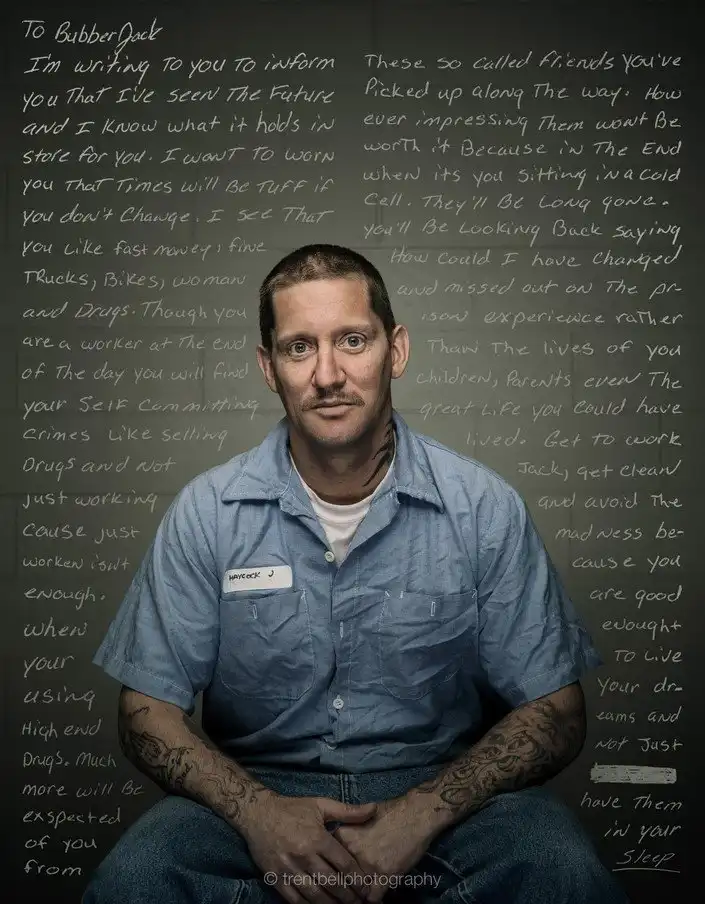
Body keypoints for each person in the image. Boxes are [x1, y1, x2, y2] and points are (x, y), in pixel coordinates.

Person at [83, 244, 630, 904]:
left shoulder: (483, 507)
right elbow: (144, 712)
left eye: (351, 340)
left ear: (394, 350)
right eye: (299, 348)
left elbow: (558, 712)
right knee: (136, 879)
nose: (327, 374)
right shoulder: (207, 513)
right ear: (268, 367)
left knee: (559, 870)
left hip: (446, 801)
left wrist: (420, 814)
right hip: (252, 795)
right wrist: (258, 813)